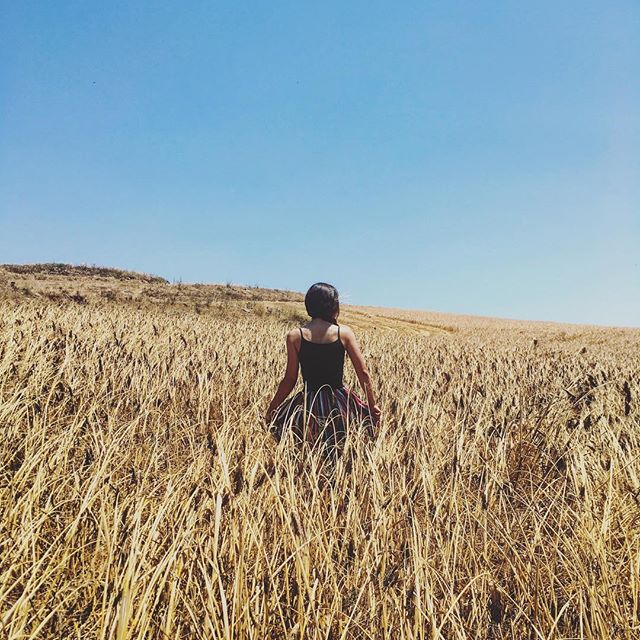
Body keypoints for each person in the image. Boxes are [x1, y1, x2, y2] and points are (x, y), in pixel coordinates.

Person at [265, 282, 381, 452]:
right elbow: (363, 373)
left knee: (305, 449)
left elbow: (290, 379)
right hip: (339, 403)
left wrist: (273, 407)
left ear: (309, 305)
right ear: (334, 305)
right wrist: (372, 405)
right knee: (343, 449)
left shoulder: (295, 336)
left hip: (308, 405)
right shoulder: (344, 333)